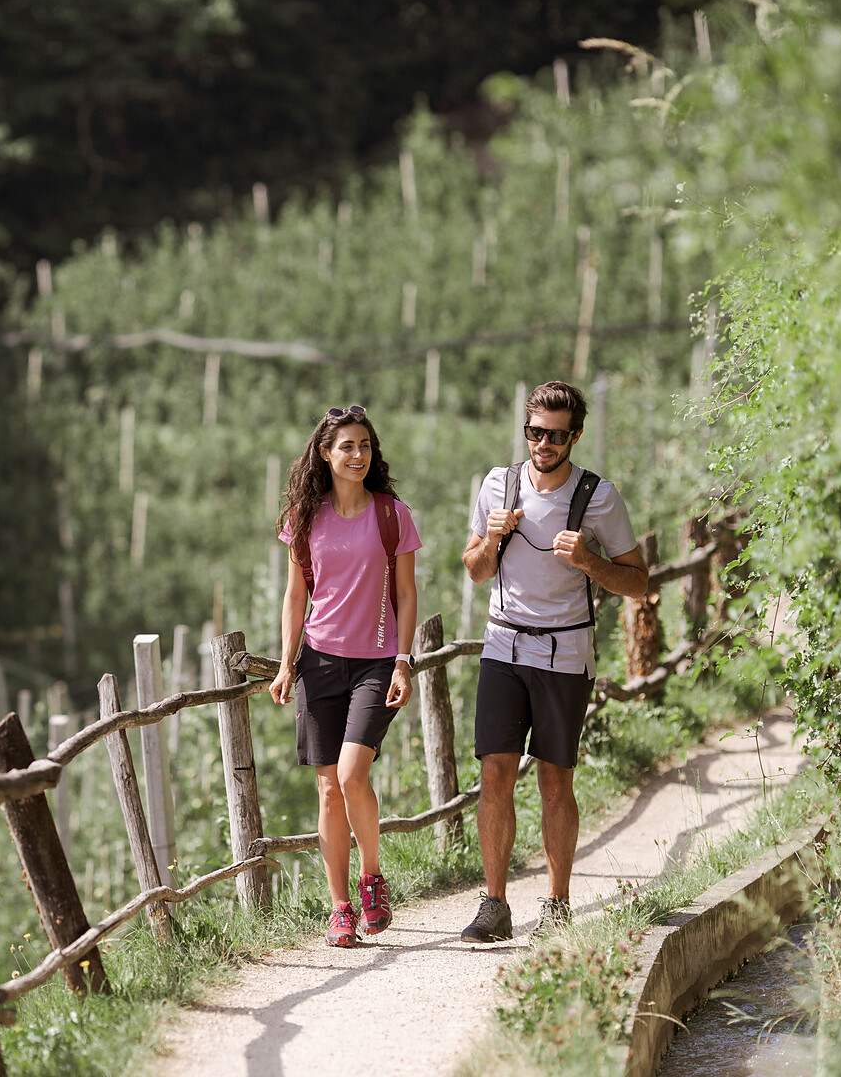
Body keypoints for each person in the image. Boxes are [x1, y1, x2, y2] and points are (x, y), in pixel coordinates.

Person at [458, 381, 647, 943]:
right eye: (535, 432)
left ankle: (557, 904)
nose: (543, 443)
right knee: (494, 773)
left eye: (555, 435)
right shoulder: (498, 484)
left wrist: (588, 559)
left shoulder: (599, 496)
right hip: (503, 646)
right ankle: (494, 905)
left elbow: (638, 583)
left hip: (565, 652)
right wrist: (491, 541)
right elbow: (473, 569)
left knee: (553, 779)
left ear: (575, 436)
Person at [269, 405, 422, 947]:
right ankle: (339, 908)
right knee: (329, 791)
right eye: (347, 446)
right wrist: (287, 663)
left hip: (377, 663)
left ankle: (371, 878)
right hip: (319, 662)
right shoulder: (305, 518)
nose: (358, 455)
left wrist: (403, 660)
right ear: (325, 454)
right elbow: (295, 596)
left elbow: (405, 594)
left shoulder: (392, 515)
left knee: (354, 775)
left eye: (365, 445)